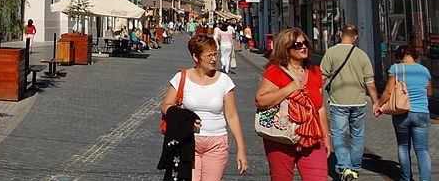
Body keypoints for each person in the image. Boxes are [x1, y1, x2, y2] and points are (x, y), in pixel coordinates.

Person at [160, 34, 248, 179]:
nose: (214, 59)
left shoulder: (224, 81)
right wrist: (185, 118)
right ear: (196, 57)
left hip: (217, 143)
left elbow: (232, 117)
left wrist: (241, 150)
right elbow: (165, 106)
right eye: (209, 55)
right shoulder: (182, 78)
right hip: (189, 141)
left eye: (215, 54)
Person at [255, 27, 331, 180]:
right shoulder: (275, 71)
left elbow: (320, 107)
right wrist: (289, 88)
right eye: (297, 45)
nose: (303, 47)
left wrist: (327, 136)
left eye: (305, 43)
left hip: (312, 136)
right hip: (281, 137)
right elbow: (260, 100)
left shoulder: (315, 72)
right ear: (286, 49)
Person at [320, 24, 379, 181]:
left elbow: (321, 78)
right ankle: (355, 168)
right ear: (356, 37)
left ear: (340, 34)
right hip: (359, 102)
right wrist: (375, 102)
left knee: (338, 135)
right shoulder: (362, 55)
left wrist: (316, 99)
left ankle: (345, 167)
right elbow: (370, 83)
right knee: (357, 135)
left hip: (338, 102)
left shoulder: (331, 53)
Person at [374, 45, 432, 181]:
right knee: (422, 149)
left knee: (403, 146)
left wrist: (378, 105)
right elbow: (429, 93)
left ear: (399, 57)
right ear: (413, 55)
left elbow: (388, 92)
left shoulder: (396, 69)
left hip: (401, 112)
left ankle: (406, 178)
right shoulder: (424, 70)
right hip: (422, 113)